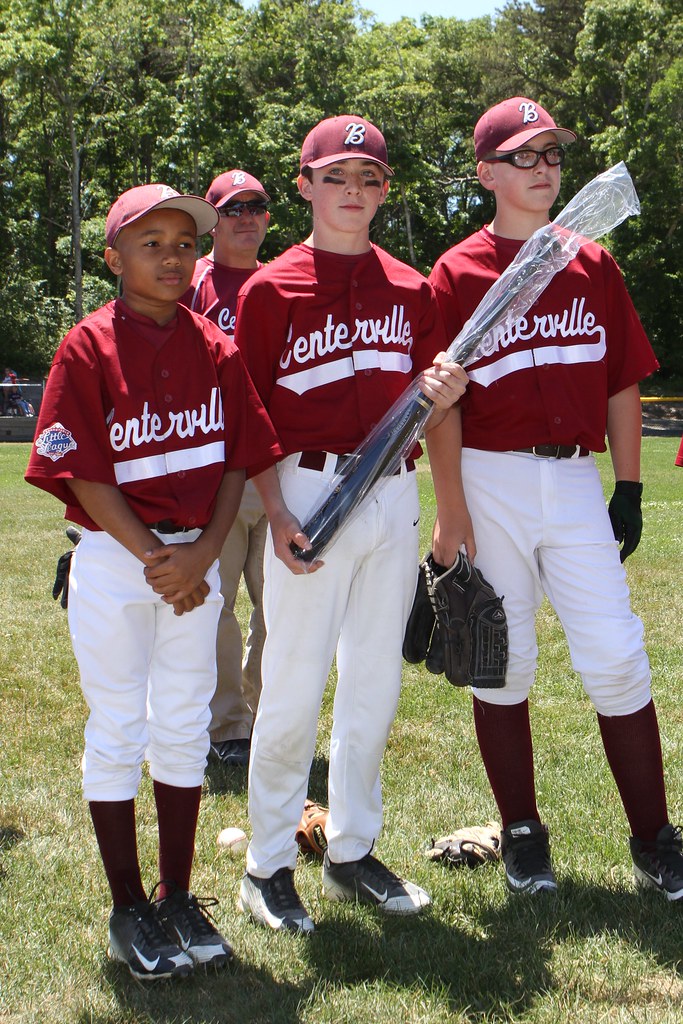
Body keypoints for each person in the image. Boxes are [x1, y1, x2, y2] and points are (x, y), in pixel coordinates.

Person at [25, 183, 282, 980]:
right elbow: (82, 470)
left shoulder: (216, 345)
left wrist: (204, 552)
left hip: (191, 562)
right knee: (117, 729)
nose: (171, 256)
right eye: (150, 243)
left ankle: (176, 895)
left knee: (180, 725)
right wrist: (158, 559)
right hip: (114, 558)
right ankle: (127, 905)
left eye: (183, 242)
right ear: (114, 258)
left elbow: (240, 455)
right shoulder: (86, 345)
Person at [429, 97, 683, 901]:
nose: (542, 169)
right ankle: (522, 831)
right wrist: (451, 509)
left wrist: (630, 485)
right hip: (486, 473)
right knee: (502, 662)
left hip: (572, 476)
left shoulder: (589, 261)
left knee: (614, 652)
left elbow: (621, 380)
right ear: (485, 173)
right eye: (523, 156)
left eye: (552, 156)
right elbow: (440, 404)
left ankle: (654, 839)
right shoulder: (457, 270)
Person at [233, 115, 471, 933]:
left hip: (392, 493)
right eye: (336, 176)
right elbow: (250, 415)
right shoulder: (269, 288)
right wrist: (272, 509)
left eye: (369, 178)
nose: (353, 191)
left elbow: (437, 406)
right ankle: (266, 864)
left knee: (374, 683)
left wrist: (449, 491)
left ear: (384, 191)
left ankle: (350, 850)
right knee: (293, 687)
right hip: (306, 493)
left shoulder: (412, 288)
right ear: (303, 185)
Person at [180, 169, 271, 768]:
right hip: (217, 472)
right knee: (217, 605)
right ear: (213, 221)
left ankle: (266, 718)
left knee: (283, 606)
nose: (245, 216)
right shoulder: (189, 284)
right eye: (231, 208)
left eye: (256, 206)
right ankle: (227, 725)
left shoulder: (284, 281)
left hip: (284, 469)